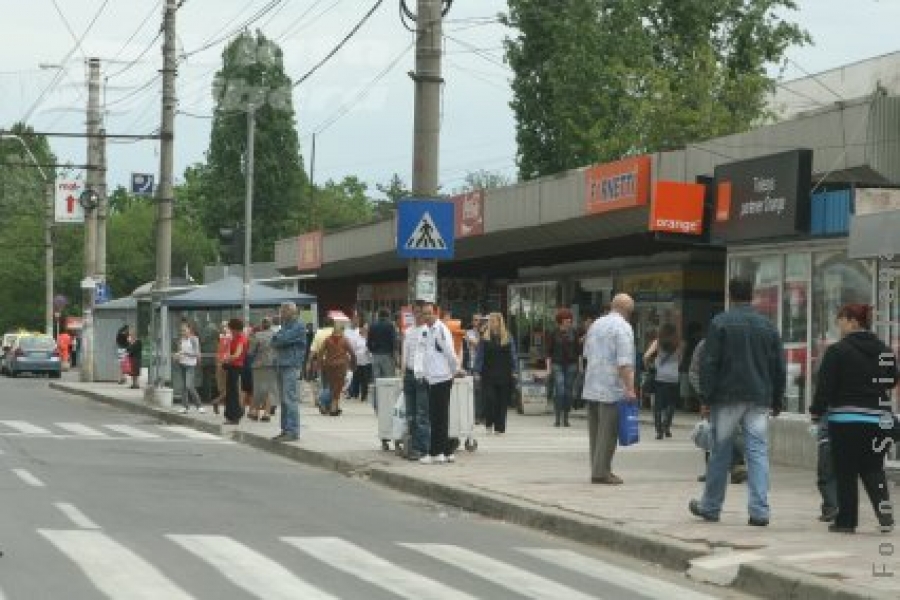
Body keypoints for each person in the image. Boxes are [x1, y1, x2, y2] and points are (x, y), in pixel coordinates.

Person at [689, 278, 786, 527]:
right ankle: (759, 511)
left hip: (726, 398)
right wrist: (777, 398)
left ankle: (711, 506)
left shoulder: (719, 323)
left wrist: (706, 397)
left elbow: (710, 363)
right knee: (757, 451)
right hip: (759, 397)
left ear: (730, 295)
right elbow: (778, 366)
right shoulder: (767, 326)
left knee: (720, 453)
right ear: (751, 295)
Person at [809, 304, 898, 534]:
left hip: (845, 419)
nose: (838, 325)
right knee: (873, 467)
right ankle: (884, 513)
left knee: (846, 470)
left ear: (852, 321)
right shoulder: (884, 350)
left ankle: (846, 522)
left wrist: (816, 411)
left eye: (840, 320)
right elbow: (893, 379)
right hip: (877, 419)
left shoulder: (837, 351)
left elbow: (825, 387)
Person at [582, 294, 637, 485]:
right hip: (611, 388)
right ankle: (602, 472)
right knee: (608, 432)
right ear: (627, 311)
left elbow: (586, 354)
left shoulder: (596, 325)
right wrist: (630, 389)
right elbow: (624, 363)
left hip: (592, 385)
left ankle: (596, 468)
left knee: (595, 433)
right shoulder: (623, 328)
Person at [689, 338, 747, 484]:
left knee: (734, 429)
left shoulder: (738, 343)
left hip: (734, 395)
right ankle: (714, 469)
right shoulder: (704, 345)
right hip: (712, 396)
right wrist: (704, 396)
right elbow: (694, 372)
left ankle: (736, 466)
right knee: (711, 430)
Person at [415, 302, 459, 465]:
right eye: (424, 314)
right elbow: (421, 353)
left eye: (429, 313)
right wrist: (419, 372)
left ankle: (436, 452)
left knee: (437, 416)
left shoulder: (441, 330)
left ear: (437, 313)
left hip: (442, 378)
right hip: (431, 378)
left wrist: (454, 371)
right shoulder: (426, 330)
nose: (426, 317)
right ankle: (446, 450)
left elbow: (450, 352)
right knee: (438, 416)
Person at [474, 312, 518, 435]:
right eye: (490, 321)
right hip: (488, 373)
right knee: (490, 399)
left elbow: (513, 355)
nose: (492, 323)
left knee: (502, 401)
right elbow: (480, 355)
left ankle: (499, 427)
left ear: (500, 322)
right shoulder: (485, 337)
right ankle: (489, 423)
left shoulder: (507, 337)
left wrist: (514, 371)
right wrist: (477, 371)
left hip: (504, 373)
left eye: (494, 321)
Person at [270, 302, 307, 442]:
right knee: (284, 400)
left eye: (283, 311)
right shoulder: (285, 325)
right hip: (281, 364)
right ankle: (285, 429)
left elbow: (281, 339)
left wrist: (278, 338)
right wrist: (278, 338)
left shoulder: (298, 325)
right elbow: (274, 341)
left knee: (289, 398)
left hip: (291, 365)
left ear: (292, 312)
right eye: (281, 311)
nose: (281, 314)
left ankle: (292, 430)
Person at [643, 322, 681, 439]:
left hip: (660, 377)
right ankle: (667, 427)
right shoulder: (678, 343)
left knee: (658, 405)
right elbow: (680, 360)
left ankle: (659, 431)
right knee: (671, 403)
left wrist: (648, 366)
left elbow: (646, 356)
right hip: (673, 377)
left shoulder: (658, 342)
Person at [402, 306, 429, 460]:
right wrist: (403, 373)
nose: (418, 316)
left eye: (420, 313)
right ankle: (412, 447)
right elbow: (405, 353)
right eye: (416, 313)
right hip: (410, 375)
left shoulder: (428, 331)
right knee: (410, 414)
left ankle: (422, 448)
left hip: (423, 376)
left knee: (422, 414)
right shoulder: (408, 331)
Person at [546, 308, 580, 427]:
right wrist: (548, 368)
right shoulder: (553, 333)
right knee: (559, 389)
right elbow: (549, 352)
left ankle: (566, 417)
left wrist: (580, 367)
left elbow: (578, 351)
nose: (568, 321)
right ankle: (557, 417)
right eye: (566, 319)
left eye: (570, 319)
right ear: (560, 320)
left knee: (568, 391)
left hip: (571, 364)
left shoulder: (574, 333)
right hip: (557, 363)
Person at [319, 321, 356, 416]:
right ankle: (333, 408)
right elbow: (352, 353)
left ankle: (334, 406)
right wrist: (353, 364)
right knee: (338, 387)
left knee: (332, 386)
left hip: (329, 366)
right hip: (341, 366)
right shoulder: (344, 340)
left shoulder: (327, 340)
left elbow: (320, 352)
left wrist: (321, 364)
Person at [367, 308, 398, 411]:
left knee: (377, 381)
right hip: (387, 356)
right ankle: (388, 404)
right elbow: (394, 342)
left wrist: (373, 350)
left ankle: (377, 405)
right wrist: (395, 356)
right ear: (387, 316)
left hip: (375, 355)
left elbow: (368, 342)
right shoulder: (390, 326)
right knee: (388, 380)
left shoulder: (372, 326)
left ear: (379, 315)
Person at [249, 317, 277, 422]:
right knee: (270, 389)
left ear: (261, 325)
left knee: (259, 389)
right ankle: (267, 413)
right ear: (270, 325)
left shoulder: (257, 335)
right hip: (272, 365)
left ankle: (256, 412)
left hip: (258, 365)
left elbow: (251, 352)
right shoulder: (276, 335)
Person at [221, 318, 248, 425]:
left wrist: (227, 358)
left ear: (235, 328)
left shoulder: (241, 338)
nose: (230, 330)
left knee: (233, 392)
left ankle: (234, 415)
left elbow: (237, 354)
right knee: (231, 391)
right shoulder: (235, 337)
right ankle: (232, 415)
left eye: (231, 328)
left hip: (236, 367)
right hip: (233, 366)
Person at [174, 323, 203, 413]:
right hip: (182, 364)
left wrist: (185, 353)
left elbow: (197, 353)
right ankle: (185, 406)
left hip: (191, 365)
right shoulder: (181, 340)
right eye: (182, 330)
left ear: (189, 330)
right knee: (183, 387)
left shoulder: (194, 339)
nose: (183, 332)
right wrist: (177, 356)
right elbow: (179, 351)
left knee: (189, 386)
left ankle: (199, 405)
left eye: (185, 330)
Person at [349, 323, 373, 403]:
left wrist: (369, 352)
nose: (366, 330)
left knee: (365, 380)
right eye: (364, 328)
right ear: (361, 329)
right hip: (358, 362)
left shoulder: (369, 338)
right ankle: (355, 394)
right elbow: (353, 349)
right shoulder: (356, 338)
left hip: (367, 362)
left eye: (367, 329)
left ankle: (364, 396)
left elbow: (371, 349)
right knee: (356, 378)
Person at [211, 321, 230, 415]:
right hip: (225, 364)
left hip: (221, 364)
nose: (225, 328)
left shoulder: (220, 338)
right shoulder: (226, 338)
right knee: (228, 389)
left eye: (226, 326)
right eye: (224, 326)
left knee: (224, 389)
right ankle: (217, 401)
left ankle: (218, 402)